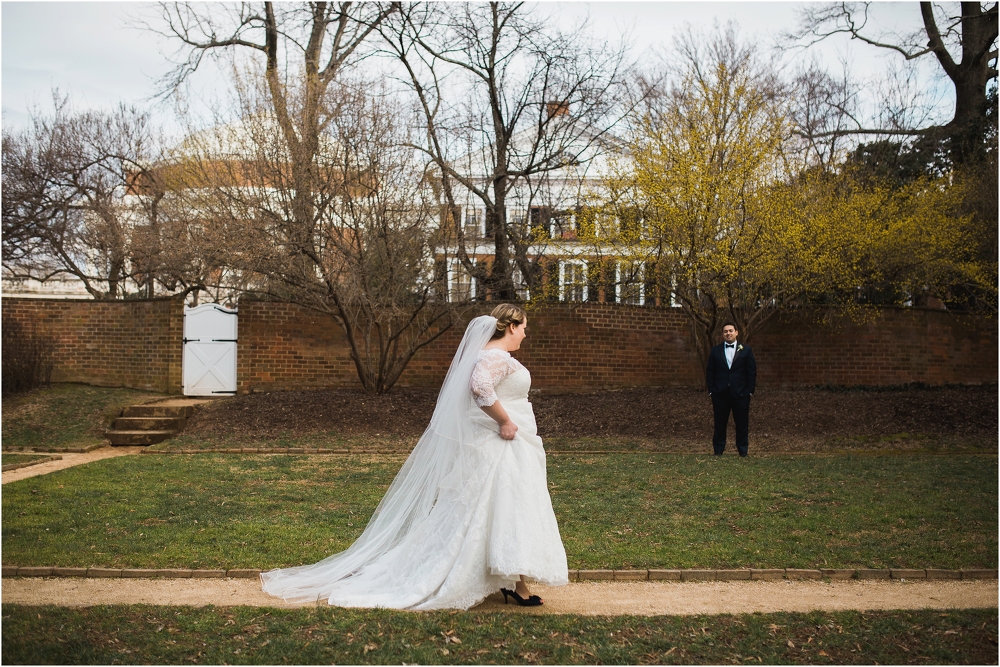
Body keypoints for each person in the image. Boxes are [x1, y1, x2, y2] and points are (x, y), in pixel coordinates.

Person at [260, 304, 568, 609]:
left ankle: (514, 581)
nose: (525, 335)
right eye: (524, 328)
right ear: (511, 326)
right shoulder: (496, 357)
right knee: (497, 508)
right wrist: (505, 421)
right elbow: (480, 387)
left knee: (504, 509)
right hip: (500, 444)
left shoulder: (489, 355)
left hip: (510, 445)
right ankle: (511, 582)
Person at [705, 321, 756, 457]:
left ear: (736, 332)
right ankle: (718, 450)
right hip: (720, 393)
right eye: (725, 331)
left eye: (731, 331)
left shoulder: (746, 350)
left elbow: (751, 371)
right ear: (723, 334)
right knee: (720, 423)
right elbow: (710, 371)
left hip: (740, 394)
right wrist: (711, 390)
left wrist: (749, 391)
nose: (728, 333)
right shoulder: (715, 350)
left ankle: (743, 451)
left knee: (742, 423)